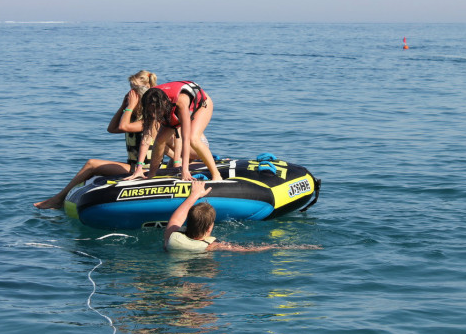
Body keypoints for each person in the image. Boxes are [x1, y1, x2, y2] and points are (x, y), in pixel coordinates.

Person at [34, 70, 158, 209]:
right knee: (94, 169)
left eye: (133, 91)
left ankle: (57, 200)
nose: (130, 94)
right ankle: (68, 200)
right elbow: (111, 129)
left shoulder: (149, 120)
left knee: (92, 164)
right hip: (132, 165)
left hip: (144, 168)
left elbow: (123, 126)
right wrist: (123, 106)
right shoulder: (135, 117)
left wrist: (129, 106)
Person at [164, 182, 322, 252]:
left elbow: (176, 219)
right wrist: (284, 246)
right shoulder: (210, 246)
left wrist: (194, 195)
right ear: (210, 228)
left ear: (189, 221)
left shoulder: (172, 238)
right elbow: (249, 249)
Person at [125, 81, 222, 182]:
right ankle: (151, 175)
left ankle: (216, 175)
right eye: (151, 112)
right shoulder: (149, 100)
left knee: (193, 139)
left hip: (202, 104)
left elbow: (185, 139)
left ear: (164, 104)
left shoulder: (181, 102)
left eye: (156, 112)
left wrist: (185, 170)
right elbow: (146, 137)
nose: (154, 115)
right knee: (159, 141)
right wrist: (139, 168)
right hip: (169, 106)